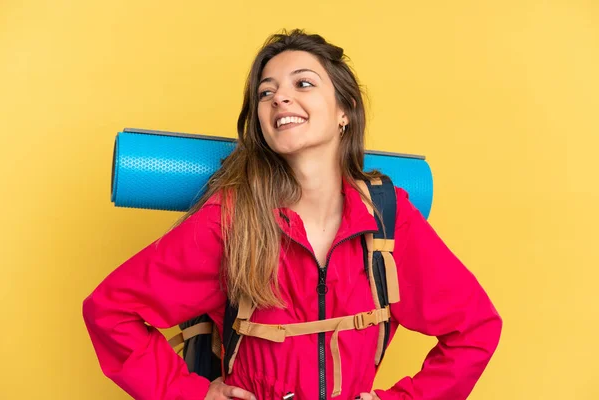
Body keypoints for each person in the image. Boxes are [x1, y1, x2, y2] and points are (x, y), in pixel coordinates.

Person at [82, 29, 502, 400]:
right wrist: (189, 394)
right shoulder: (230, 220)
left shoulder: (389, 217)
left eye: (303, 83)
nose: (280, 97)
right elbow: (110, 312)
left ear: (344, 111)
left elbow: (475, 329)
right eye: (266, 92)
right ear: (262, 123)